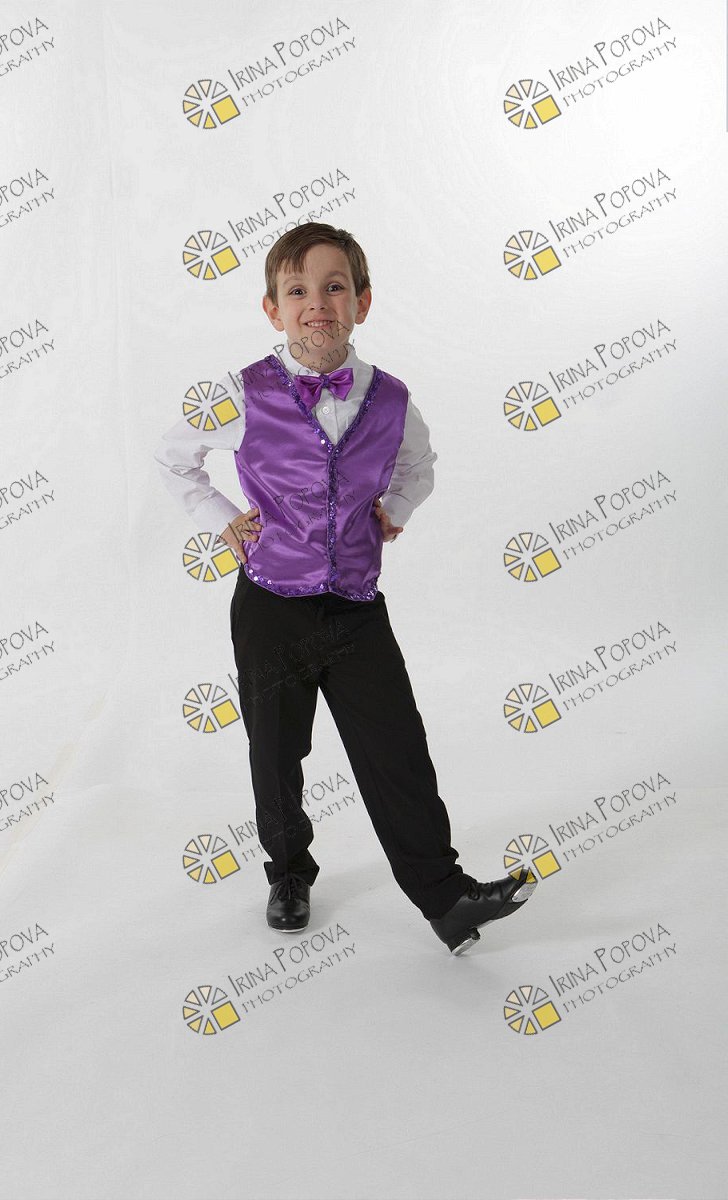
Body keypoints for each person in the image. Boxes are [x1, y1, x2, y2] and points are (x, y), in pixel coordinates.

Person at [154, 222, 537, 955]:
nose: (317, 305)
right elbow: (173, 457)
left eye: (334, 288)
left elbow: (419, 466)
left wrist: (396, 508)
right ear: (273, 309)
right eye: (297, 290)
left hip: (356, 607)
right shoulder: (241, 392)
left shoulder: (390, 399)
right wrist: (224, 520)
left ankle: (445, 897)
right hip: (271, 603)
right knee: (276, 752)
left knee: (397, 747)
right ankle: (288, 874)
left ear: (361, 302)